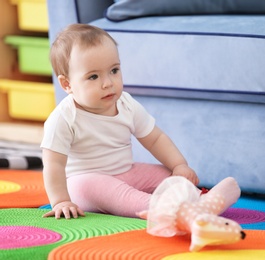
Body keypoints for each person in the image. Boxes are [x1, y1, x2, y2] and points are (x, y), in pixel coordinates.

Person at [40, 23, 199, 219]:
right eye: (93, 77)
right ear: (67, 84)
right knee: (106, 190)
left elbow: (155, 139)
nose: (108, 83)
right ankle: (157, 207)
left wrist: (178, 165)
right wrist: (61, 201)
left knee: (170, 177)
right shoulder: (63, 118)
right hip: (85, 184)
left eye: (114, 71)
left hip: (127, 172)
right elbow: (53, 164)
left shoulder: (126, 104)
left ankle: (193, 199)